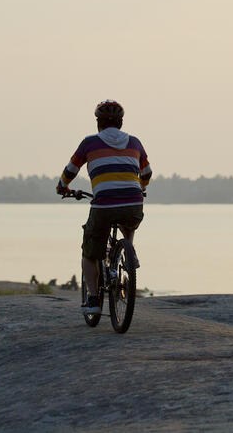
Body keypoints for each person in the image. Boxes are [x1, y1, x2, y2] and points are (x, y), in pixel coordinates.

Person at [57, 100, 151, 315]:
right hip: (134, 202)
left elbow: (71, 170)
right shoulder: (135, 143)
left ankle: (93, 300)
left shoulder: (89, 143)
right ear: (121, 122)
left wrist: (63, 187)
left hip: (104, 205)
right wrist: (141, 188)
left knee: (90, 253)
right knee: (130, 220)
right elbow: (146, 173)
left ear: (98, 123)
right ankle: (129, 251)